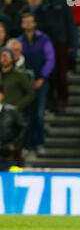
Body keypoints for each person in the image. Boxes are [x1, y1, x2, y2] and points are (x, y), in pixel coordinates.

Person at [17, 12, 55, 153]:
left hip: (40, 82)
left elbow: (50, 59)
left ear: (34, 24)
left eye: (30, 21)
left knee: (39, 114)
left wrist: (42, 77)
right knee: (26, 115)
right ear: (21, 24)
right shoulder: (19, 41)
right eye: (25, 21)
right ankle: (27, 144)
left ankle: (39, 143)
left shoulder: (44, 39)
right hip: (23, 85)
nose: (27, 24)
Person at [0, 47, 34, 113]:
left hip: (14, 113)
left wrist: (17, 106)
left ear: (12, 58)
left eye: (6, 56)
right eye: (1, 56)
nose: (4, 58)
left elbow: (31, 94)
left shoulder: (20, 75)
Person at [0, 86, 26, 170]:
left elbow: (22, 129)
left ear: (1, 95)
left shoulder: (12, 111)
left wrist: (14, 144)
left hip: (7, 153)